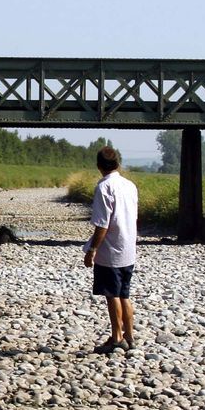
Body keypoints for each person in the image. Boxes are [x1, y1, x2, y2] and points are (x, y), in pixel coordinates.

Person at [83, 146, 138, 354]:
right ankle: (129, 336)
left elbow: (102, 224)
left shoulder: (104, 187)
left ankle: (116, 338)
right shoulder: (130, 185)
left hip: (111, 251)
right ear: (118, 164)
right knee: (124, 294)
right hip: (128, 249)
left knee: (111, 294)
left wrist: (92, 250)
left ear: (99, 166)